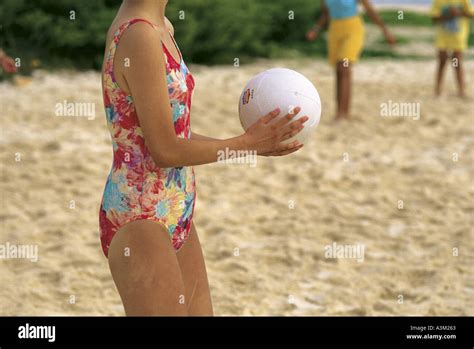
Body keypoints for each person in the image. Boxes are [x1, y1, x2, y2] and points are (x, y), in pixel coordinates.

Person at [100, 0, 308, 316]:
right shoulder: (138, 34)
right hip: (139, 216)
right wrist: (245, 144)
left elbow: (175, 137)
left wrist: (253, 146)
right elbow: (164, 150)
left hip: (176, 207)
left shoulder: (161, 27)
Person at [306, 0, 396, 120]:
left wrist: (385, 32)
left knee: (344, 66)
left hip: (353, 28)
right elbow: (326, 14)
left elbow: (370, 11)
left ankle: (343, 114)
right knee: (338, 70)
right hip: (335, 30)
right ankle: (340, 112)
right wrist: (315, 29)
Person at [431, 0, 473, 98]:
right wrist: (448, 15)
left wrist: (458, 12)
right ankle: (438, 90)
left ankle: (461, 90)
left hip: (458, 37)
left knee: (456, 62)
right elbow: (434, 18)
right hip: (443, 37)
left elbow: (470, 14)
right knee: (442, 61)